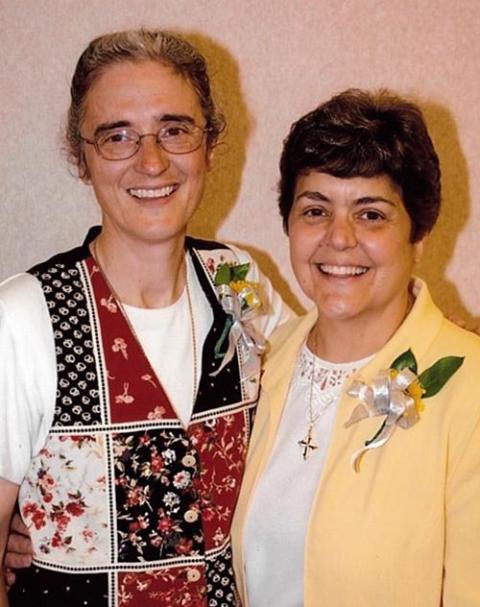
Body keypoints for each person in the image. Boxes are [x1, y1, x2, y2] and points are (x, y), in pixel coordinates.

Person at [0, 29, 289, 607]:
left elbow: (325, 408)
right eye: (117, 136)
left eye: (174, 130)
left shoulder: (240, 281)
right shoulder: (24, 318)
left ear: (209, 146)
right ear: (81, 158)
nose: (151, 160)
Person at [231, 89, 480, 606]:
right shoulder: (262, 360)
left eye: (371, 215)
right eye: (315, 210)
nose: (339, 239)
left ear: (419, 233)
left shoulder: (470, 389)